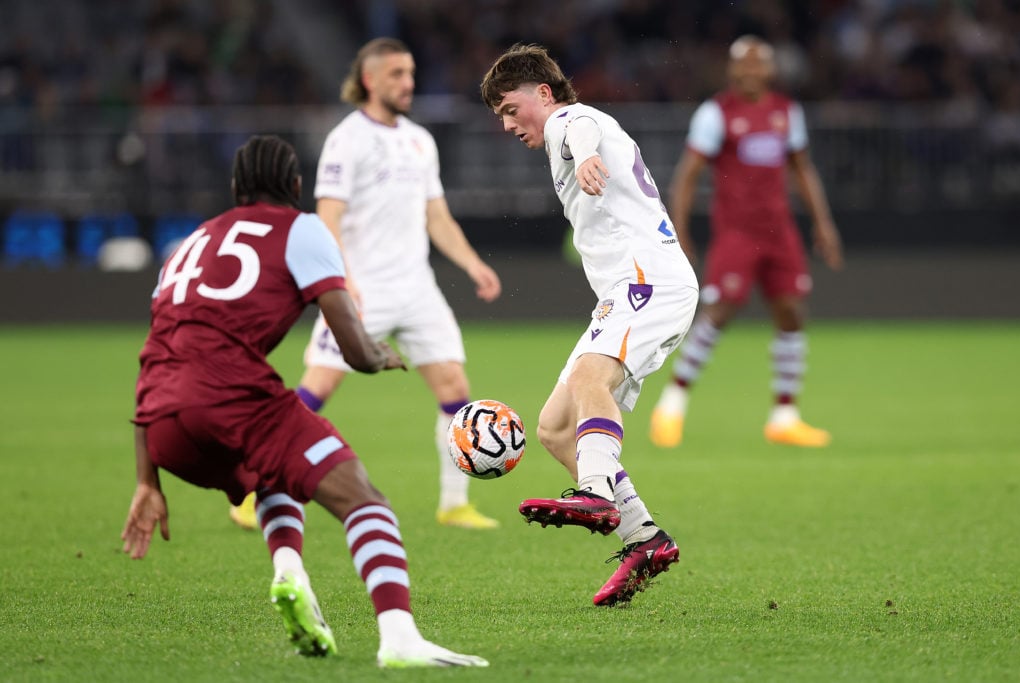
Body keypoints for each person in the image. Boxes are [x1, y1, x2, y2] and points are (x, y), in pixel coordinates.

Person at [122, 135, 487, 668]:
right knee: (366, 500)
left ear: (234, 188)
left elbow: (150, 354)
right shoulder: (302, 229)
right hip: (231, 398)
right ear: (296, 186)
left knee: (273, 468)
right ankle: (400, 639)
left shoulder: (192, 242)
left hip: (162, 428)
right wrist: (379, 356)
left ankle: (289, 568)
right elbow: (354, 347)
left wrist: (145, 480)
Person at [230, 37, 503, 532]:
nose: (408, 83)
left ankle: (454, 503)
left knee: (455, 387)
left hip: (417, 287)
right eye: (397, 74)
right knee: (317, 388)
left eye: (411, 73)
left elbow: (435, 215)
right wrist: (343, 279)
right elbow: (327, 217)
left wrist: (470, 264)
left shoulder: (420, 140)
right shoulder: (346, 138)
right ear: (370, 79)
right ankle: (252, 488)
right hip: (362, 289)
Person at [480, 44, 699, 606]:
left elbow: (580, 127)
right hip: (626, 292)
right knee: (554, 427)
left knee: (587, 382)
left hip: (647, 281)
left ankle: (596, 492)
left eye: (510, 109)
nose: (508, 125)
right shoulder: (572, 130)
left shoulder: (570, 121)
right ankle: (645, 540)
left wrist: (583, 156)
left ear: (543, 94)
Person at [649, 36, 844, 449]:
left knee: (791, 311)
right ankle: (672, 404)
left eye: (760, 64)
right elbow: (688, 175)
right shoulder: (716, 113)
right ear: (733, 70)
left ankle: (784, 415)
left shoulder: (786, 112)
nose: (752, 71)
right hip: (737, 231)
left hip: (780, 229)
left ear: (771, 70)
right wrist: (679, 230)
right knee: (720, 311)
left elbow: (801, 168)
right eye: (745, 64)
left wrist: (823, 223)